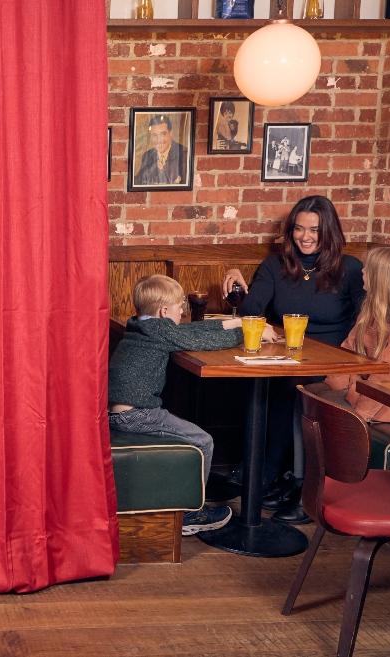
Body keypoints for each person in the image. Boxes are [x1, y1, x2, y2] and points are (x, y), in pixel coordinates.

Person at [222, 195, 365, 523]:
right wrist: (238, 283)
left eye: (314, 229)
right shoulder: (276, 265)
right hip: (286, 357)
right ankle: (278, 477)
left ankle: (298, 485)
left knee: (300, 393)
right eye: (299, 229)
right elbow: (252, 311)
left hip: (334, 360)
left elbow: (365, 319)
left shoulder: (350, 268)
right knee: (274, 390)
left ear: (329, 231)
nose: (305, 236)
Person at [109, 274, 278, 536]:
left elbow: (188, 331)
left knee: (195, 436)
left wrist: (236, 321)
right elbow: (202, 341)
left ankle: (188, 500)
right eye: (180, 308)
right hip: (137, 415)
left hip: (120, 412)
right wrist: (247, 332)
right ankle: (190, 514)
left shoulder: (141, 325)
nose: (183, 312)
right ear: (165, 311)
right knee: (202, 441)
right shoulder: (160, 330)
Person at [323, 246, 390, 424]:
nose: (362, 271)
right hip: (360, 393)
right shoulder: (370, 313)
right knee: (310, 398)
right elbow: (346, 354)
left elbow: (387, 378)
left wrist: (357, 413)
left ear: (380, 279)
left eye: (367, 268)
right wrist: (335, 387)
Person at [135, 114, 188, 186]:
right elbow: (138, 182)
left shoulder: (184, 154)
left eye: (163, 134)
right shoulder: (147, 155)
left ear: (170, 133)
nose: (159, 140)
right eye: (154, 135)